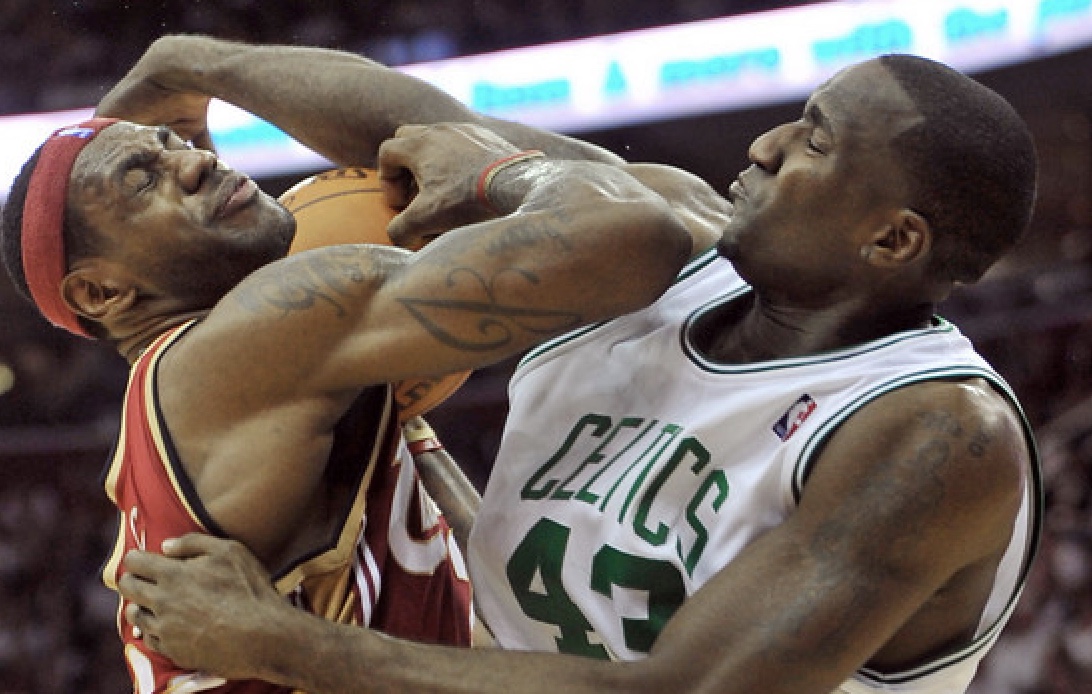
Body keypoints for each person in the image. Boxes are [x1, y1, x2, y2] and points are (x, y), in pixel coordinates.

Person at [99, 37, 1041, 694]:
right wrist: (199, 63)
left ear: (893, 237)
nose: (763, 144)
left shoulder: (933, 433)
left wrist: (287, 646)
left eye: (815, 141)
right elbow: (416, 125)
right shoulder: (682, 239)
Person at [0, 43, 694, 694]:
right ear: (101, 294)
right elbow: (634, 234)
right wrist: (489, 172)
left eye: (177, 144)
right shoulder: (256, 337)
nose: (195, 162)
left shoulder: (245, 380)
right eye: (141, 178)